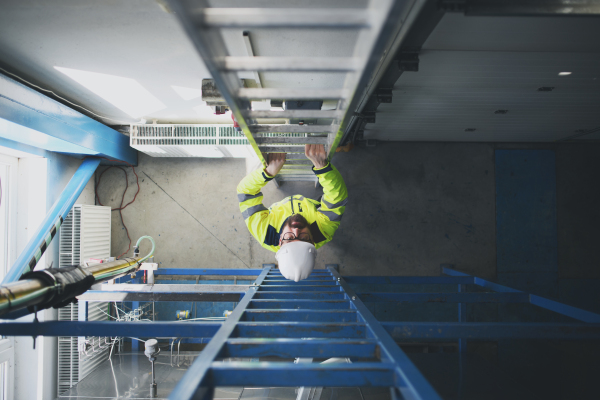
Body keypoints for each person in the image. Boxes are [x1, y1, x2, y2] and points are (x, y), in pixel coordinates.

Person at [237, 144, 348, 281]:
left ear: (279, 243)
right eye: (303, 238)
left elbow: (245, 193)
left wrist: (268, 173)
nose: (296, 230)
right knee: (329, 201)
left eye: (289, 238)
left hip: (282, 207)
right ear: (313, 241)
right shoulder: (323, 230)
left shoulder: (264, 232)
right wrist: (322, 167)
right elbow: (338, 197)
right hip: (310, 207)